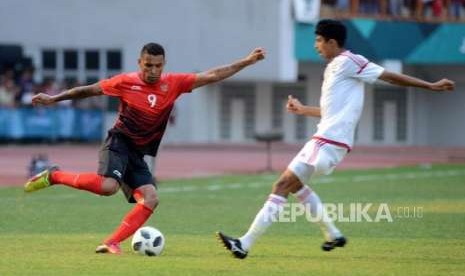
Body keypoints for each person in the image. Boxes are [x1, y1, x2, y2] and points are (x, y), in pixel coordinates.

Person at [217, 19, 454, 259]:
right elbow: (331, 112)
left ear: (332, 42)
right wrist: (303, 110)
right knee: (295, 185)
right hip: (329, 141)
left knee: (281, 186)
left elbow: (390, 76)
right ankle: (332, 234)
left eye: (319, 41)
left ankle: (244, 244)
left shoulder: (350, 61)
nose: (316, 46)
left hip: (327, 142)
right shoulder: (335, 67)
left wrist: (430, 85)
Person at [24, 42, 266, 254]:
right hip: (118, 142)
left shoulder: (174, 83)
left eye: (157, 66)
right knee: (108, 187)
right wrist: (54, 99)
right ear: (140, 62)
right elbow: (88, 90)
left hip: (137, 153)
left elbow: (213, 75)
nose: (152, 71)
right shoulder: (124, 82)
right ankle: (53, 176)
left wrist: (246, 61)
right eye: (148, 65)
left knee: (151, 198)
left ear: (164, 64)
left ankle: (111, 243)